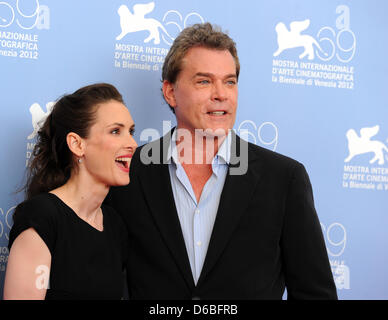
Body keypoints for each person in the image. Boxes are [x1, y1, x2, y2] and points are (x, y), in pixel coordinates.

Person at [105, 23, 338, 299]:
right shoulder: (128, 172)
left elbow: (315, 293)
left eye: (229, 81)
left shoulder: (284, 179)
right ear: (170, 92)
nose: (221, 94)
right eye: (204, 81)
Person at [3, 83, 137, 300]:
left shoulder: (115, 225)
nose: (132, 143)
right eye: (115, 131)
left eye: (131, 131)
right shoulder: (42, 218)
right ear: (77, 144)